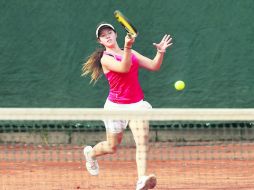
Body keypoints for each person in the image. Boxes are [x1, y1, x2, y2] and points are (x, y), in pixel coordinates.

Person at [82, 22, 172, 190]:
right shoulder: (105, 58)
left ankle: (141, 180)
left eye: (110, 32)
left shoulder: (131, 52)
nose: (107, 36)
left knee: (142, 141)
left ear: (116, 34)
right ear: (100, 41)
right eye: (103, 35)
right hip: (115, 108)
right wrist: (127, 47)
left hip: (137, 105)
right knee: (112, 147)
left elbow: (154, 66)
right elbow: (124, 67)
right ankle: (90, 153)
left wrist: (160, 52)